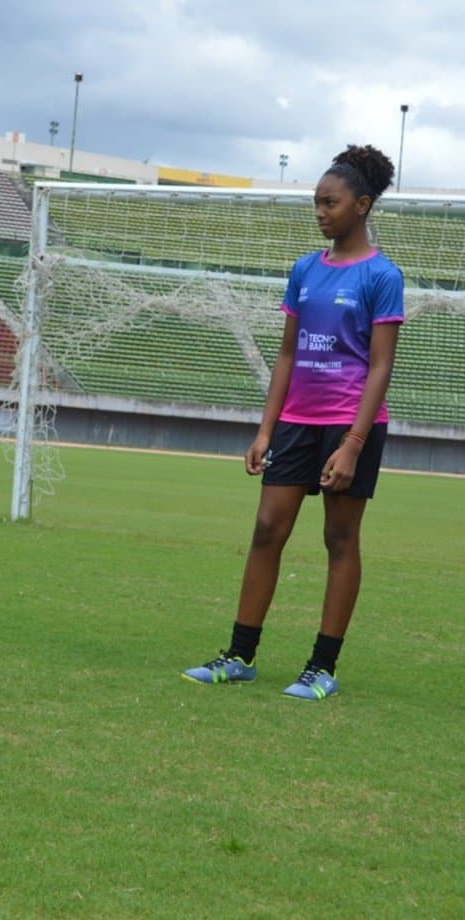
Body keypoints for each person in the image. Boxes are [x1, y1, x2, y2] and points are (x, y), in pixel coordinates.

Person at [182, 144, 404, 700]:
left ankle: (321, 667)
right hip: (296, 423)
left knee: (339, 536)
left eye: (330, 202)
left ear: (362, 205)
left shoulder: (383, 275)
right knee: (266, 529)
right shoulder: (305, 269)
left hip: (351, 424)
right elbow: (287, 355)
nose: (320, 212)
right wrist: (264, 430)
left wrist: (353, 442)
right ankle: (240, 655)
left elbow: (380, 365)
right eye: (317, 203)